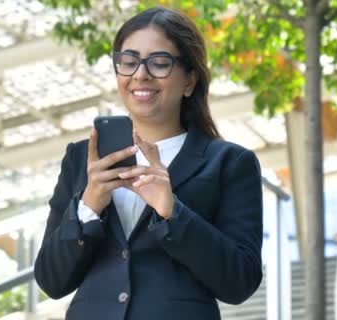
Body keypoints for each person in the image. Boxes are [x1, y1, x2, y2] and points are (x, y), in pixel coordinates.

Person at [34, 6, 263, 320]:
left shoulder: (229, 163)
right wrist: (89, 206)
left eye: (159, 63)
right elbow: (51, 280)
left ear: (189, 81)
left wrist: (173, 212)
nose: (140, 74)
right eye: (128, 62)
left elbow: (240, 281)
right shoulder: (81, 158)